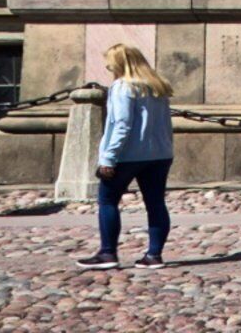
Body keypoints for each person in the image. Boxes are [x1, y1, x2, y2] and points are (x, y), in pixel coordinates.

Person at [74, 41, 174, 269]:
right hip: (159, 154)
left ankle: (108, 252)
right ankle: (154, 255)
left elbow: (122, 124)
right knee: (156, 203)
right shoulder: (158, 87)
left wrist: (108, 157)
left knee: (107, 200)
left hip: (128, 155)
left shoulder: (123, 87)